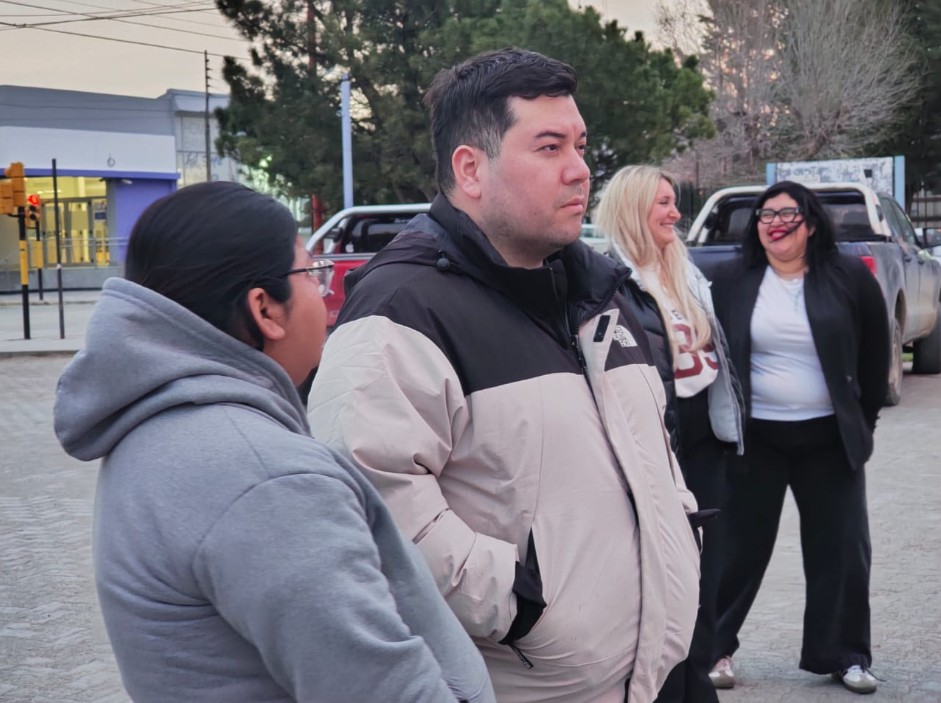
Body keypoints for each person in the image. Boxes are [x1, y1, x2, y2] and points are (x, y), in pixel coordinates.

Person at [306, 48, 702, 703]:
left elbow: (651, 451)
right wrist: (517, 602)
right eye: (548, 147)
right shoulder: (402, 311)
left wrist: (680, 537)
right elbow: (366, 503)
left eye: (580, 145)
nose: (579, 170)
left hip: (660, 674)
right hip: (526, 686)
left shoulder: (601, 291)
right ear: (470, 169)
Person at [52, 182, 496, 703]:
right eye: (311, 273)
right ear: (265, 309)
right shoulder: (265, 478)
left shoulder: (164, 426)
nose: (325, 292)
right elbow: (380, 686)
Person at [708, 180, 889, 695]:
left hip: (829, 442)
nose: (775, 223)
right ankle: (716, 650)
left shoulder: (849, 277)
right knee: (736, 550)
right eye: (765, 215)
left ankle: (846, 655)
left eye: (787, 214)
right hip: (755, 440)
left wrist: (863, 425)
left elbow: (876, 359)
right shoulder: (730, 280)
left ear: (810, 222)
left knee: (842, 550)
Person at [594, 165, 744, 703]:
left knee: (707, 572)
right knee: (666, 574)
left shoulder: (684, 268)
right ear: (635, 208)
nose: (676, 214)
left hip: (707, 441)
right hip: (660, 447)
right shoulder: (606, 277)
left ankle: (696, 679)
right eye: (663, 203)